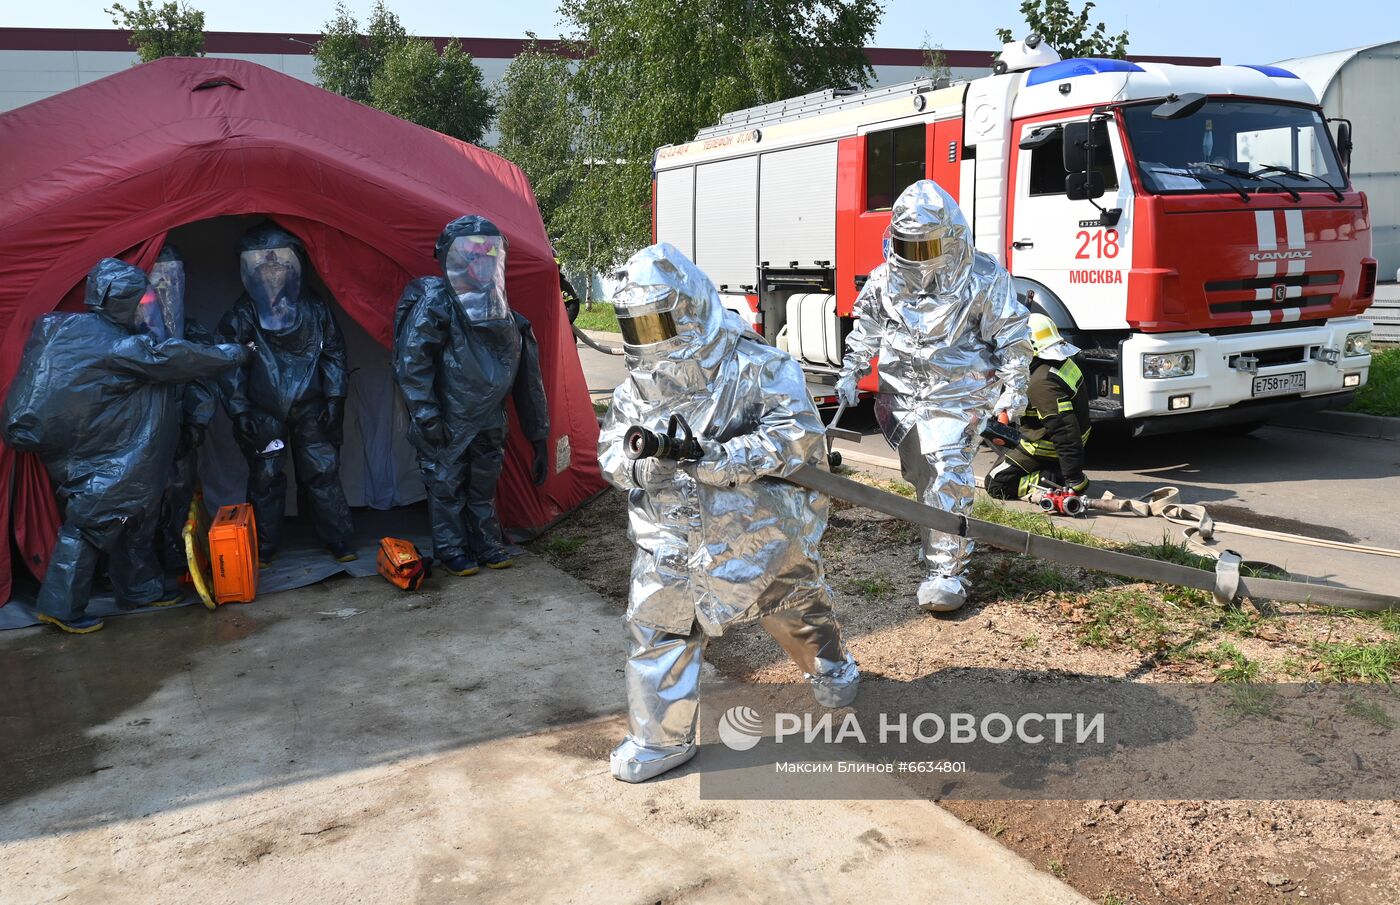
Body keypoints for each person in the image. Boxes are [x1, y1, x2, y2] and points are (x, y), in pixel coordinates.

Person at [598, 242, 860, 784]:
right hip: (668, 537)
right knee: (658, 628)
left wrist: (716, 457)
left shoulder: (759, 365)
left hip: (756, 529)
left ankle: (830, 668)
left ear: (689, 308)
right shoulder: (636, 385)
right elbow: (610, 449)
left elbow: (798, 437)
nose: (650, 340)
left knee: (791, 601)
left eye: (658, 322)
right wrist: (642, 465)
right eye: (637, 326)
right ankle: (660, 740)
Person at [2, 258, 246, 633]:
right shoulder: (121, 346)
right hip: (103, 456)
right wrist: (236, 353)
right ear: (121, 302)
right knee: (88, 527)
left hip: (103, 448)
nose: (146, 307)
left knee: (131, 520)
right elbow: (176, 359)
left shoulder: (60, 328)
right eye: (141, 301)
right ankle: (61, 608)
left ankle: (139, 591)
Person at [835, 179, 1031, 614]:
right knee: (921, 474)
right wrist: (851, 371)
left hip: (960, 393)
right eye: (910, 247)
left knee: (946, 471)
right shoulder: (885, 280)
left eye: (928, 247)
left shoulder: (983, 277)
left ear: (952, 238)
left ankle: (946, 573)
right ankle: (939, 535)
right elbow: (867, 328)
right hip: (901, 394)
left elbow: (1012, 335)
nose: (919, 259)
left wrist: (1013, 391)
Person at [393, 215, 550, 577]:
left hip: (489, 419)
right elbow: (413, 364)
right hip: (447, 419)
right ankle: (451, 548)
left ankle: (486, 543)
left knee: (482, 485)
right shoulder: (437, 306)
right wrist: (428, 417)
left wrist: (538, 436)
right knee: (446, 486)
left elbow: (529, 381)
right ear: (454, 259)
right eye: (470, 255)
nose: (479, 263)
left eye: (487, 255)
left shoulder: (508, 318)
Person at [217, 223, 356, 567]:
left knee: (322, 471)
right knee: (265, 477)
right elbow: (229, 362)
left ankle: (337, 538)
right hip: (264, 409)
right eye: (263, 265)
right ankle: (264, 545)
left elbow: (333, 353)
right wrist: (239, 410)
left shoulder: (313, 308)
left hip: (311, 406)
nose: (271, 271)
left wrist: (336, 397)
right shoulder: (242, 314)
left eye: (279, 263)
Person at [143, 244, 222, 578]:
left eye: (170, 279)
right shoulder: (127, 338)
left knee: (179, 495)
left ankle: (176, 559)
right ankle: (144, 567)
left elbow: (203, 380)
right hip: (139, 438)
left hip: (178, 431)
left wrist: (196, 423)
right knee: (142, 504)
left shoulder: (189, 332)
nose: (163, 288)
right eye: (155, 279)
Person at [984, 313, 1091, 501]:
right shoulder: (1059, 363)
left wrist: (1074, 479)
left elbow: (1065, 431)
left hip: (1043, 448)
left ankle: (1050, 478)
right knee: (992, 426)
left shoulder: (1042, 383)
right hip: (1051, 438)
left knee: (997, 483)